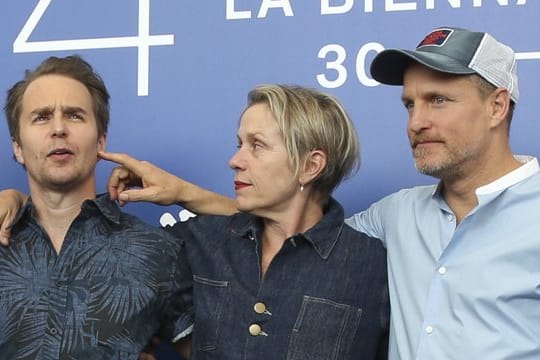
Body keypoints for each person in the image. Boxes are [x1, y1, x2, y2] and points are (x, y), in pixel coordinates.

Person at [5, 25, 537, 359]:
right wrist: (19, 202)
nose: (416, 121)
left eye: (438, 101)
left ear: (497, 107)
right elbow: (290, 219)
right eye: (408, 105)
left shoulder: (371, 255)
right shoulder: (394, 220)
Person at [1, 84, 390, 359]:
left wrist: (183, 191)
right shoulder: (199, 242)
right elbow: (95, 247)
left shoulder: (373, 264)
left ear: (311, 166)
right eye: (239, 143)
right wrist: (18, 203)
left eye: (256, 145)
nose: (235, 159)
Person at [0, 55, 193, 359]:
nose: (59, 129)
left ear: (101, 141)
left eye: (75, 115)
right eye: (41, 117)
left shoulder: (157, 252)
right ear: (17, 148)